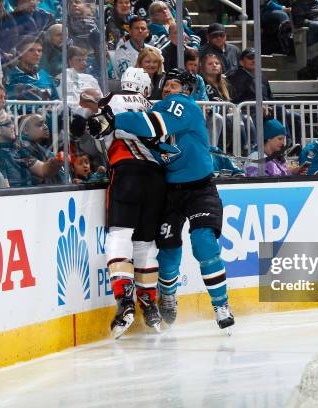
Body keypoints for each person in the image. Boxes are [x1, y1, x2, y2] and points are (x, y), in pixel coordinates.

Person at [93, 68, 235, 331]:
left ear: (187, 90)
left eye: (174, 85)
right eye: (166, 85)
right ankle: (167, 295)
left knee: (204, 242)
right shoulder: (156, 108)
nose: (168, 89)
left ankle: (220, 305)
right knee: (168, 252)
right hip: (170, 189)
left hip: (199, 189)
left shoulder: (182, 106)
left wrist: (112, 118)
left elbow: (153, 125)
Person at [73, 67, 165, 338]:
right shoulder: (151, 106)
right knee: (146, 243)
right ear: (146, 88)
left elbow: (94, 133)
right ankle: (149, 304)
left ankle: (124, 300)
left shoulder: (110, 100)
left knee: (119, 236)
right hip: (156, 178)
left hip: (126, 172)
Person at [5, 36, 59, 105]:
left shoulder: (45, 75)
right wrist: (36, 110)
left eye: (39, 51)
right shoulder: (12, 77)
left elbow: (56, 100)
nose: (37, 54)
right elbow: (10, 105)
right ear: (20, 53)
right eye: (31, 50)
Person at [16, 113, 62, 185]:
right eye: (40, 125)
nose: (46, 127)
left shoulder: (39, 148)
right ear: (25, 130)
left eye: (45, 123)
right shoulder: (21, 149)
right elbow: (43, 172)